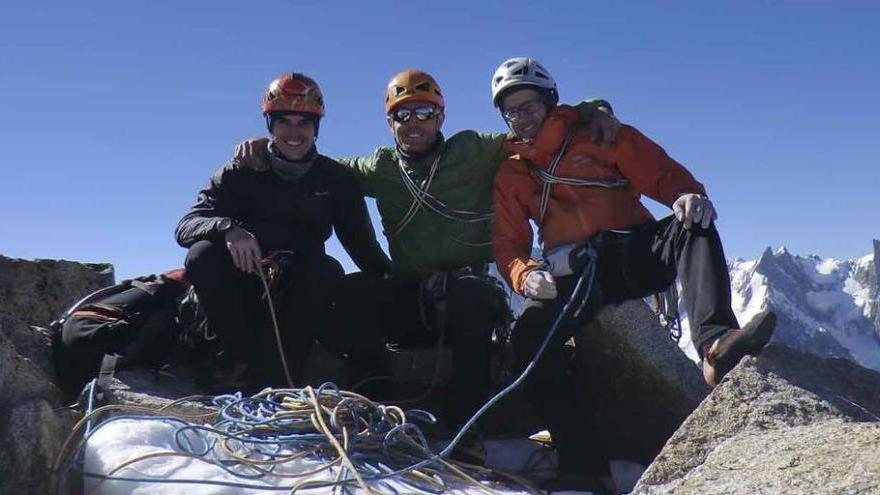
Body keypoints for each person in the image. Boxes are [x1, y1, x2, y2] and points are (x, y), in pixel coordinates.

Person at [232, 69, 620, 456]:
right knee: (354, 290)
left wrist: (593, 109)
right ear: (389, 122)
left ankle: (464, 430)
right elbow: (312, 160)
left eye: (425, 113)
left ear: (441, 118)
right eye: (403, 115)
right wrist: (266, 147)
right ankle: (373, 398)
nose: (414, 123)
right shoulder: (381, 168)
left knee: (473, 296)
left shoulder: (474, 151)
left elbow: (539, 131)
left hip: (469, 294)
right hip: (415, 296)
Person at [491, 57, 777, 493]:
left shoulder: (600, 133)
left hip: (631, 251)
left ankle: (716, 342)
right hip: (574, 274)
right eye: (511, 110)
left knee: (693, 223)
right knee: (530, 339)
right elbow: (508, 244)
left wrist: (684, 194)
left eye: (528, 105)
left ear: (550, 102)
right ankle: (584, 465)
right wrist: (524, 273)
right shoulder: (512, 169)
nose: (522, 117)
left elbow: (660, 171)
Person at [175, 73, 390, 390]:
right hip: (244, 291)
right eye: (283, 122)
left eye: (303, 122)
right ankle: (239, 359)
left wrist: (398, 284)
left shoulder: (335, 180)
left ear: (316, 128)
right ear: (270, 126)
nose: (294, 132)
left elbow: (363, 247)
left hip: (301, 293)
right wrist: (228, 228)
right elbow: (186, 226)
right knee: (203, 255)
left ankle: (284, 376)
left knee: (325, 269)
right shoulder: (240, 172)